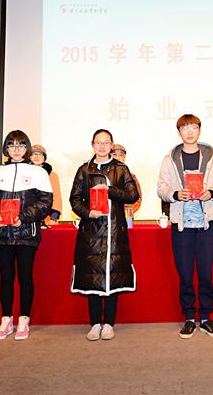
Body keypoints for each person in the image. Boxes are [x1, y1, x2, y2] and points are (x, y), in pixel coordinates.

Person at [157, 114, 213, 339]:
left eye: (193, 127)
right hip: (181, 225)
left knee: (206, 274)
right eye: (185, 128)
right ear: (179, 132)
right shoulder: (170, 158)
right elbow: (161, 188)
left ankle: (205, 318)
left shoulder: (211, 156)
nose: (189, 132)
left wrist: (211, 192)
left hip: (205, 225)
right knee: (185, 275)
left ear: (199, 130)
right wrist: (176, 194)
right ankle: (189, 318)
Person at [0, 130, 53, 341]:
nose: (16, 150)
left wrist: (24, 217)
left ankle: (24, 319)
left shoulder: (38, 173)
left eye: (21, 145)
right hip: (1, 232)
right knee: (6, 277)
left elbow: (45, 202)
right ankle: (6, 320)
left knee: (25, 277)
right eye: (11, 145)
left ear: (27, 148)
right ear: (6, 149)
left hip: (26, 233)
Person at [70, 129, 140, 341]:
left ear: (111, 145)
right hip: (91, 232)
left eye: (106, 142)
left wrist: (110, 190)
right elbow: (74, 200)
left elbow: (133, 195)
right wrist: (87, 213)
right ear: (93, 145)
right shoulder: (84, 170)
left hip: (114, 231)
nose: (102, 146)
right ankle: (94, 324)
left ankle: (109, 323)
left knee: (113, 278)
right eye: (98, 142)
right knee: (93, 278)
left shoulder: (121, 169)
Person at [30, 144, 63, 225]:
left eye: (40, 154)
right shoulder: (24, 173)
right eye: (34, 154)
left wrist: (53, 218)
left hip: (47, 219)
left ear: (44, 158)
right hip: (27, 217)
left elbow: (56, 198)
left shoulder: (52, 175)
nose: (37, 157)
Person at [110, 143, 142, 223]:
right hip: (105, 218)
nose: (117, 158)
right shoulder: (103, 176)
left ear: (124, 158)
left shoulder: (131, 177)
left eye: (121, 155)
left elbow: (137, 200)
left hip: (125, 218)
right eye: (114, 155)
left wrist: (124, 212)